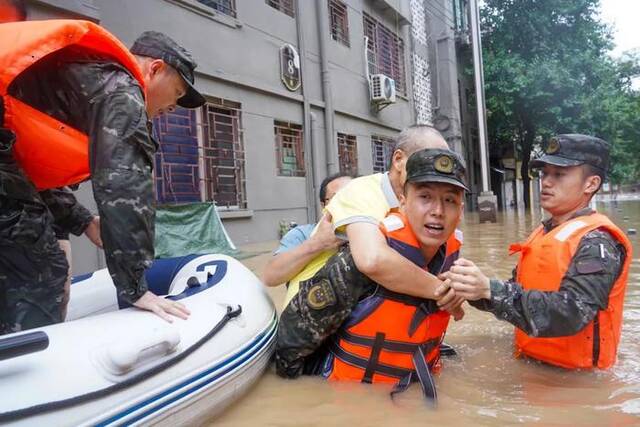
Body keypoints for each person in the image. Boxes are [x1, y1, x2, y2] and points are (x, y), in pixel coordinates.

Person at [0, 21, 205, 334]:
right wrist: (136, 287)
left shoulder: (89, 74)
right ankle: (31, 373)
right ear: (155, 69)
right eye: (176, 93)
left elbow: (25, 171)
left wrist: (83, 221)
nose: (174, 107)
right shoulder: (123, 92)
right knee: (40, 273)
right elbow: (124, 187)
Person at [277, 149, 467, 404]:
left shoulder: (454, 262)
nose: (438, 211)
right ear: (402, 202)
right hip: (348, 399)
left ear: (461, 210)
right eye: (425, 197)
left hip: (416, 393)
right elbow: (293, 336)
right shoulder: (356, 263)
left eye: (449, 200)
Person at [445, 134, 632, 369]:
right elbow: (514, 294)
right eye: (545, 173)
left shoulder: (597, 241)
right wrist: (473, 290)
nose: (546, 182)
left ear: (591, 184)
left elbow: (572, 312)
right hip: (531, 367)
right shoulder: (543, 233)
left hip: (576, 382)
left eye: (559, 175)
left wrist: (490, 289)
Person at [280, 125, 464, 312]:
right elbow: (372, 260)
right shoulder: (361, 191)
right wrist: (447, 295)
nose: (436, 169)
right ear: (399, 160)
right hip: (312, 313)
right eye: (424, 158)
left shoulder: (423, 206)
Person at [262, 173, 353, 288]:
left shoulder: (374, 231)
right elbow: (270, 277)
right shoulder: (303, 234)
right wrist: (318, 243)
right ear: (323, 205)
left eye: (352, 197)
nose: (348, 204)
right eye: (337, 198)